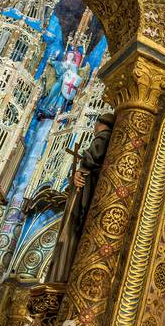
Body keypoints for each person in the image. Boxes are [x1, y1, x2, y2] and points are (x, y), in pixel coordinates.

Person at [46, 112, 114, 287]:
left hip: (87, 193)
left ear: (100, 124)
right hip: (85, 189)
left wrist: (82, 169)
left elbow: (92, 159)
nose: (93, 128)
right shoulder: (102, 139)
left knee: (73, 229)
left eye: (95, 123)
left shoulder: (102, 138)